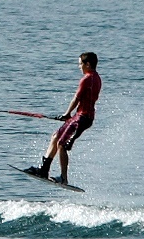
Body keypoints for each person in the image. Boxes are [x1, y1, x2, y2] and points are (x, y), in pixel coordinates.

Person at [25, 52, 101, 185]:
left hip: (82, 118)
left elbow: (76, 99)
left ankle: (64, 178)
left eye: (80, 64)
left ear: (88, 64)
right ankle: (44, 170)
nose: (79, 67)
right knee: (55, 136)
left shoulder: (87, 79)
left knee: (62, 144)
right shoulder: (97, 78)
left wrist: (66, 114)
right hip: (80, 116)